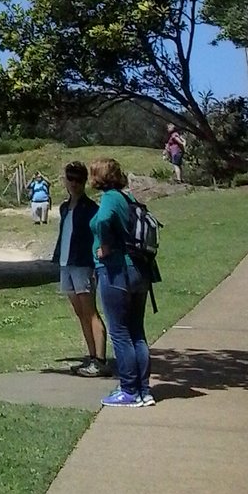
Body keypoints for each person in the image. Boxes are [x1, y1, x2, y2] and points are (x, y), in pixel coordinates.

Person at [89, 157, 161, 407]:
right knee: (136, 332)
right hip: (140, 270)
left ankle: (129, 390)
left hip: (116, 270)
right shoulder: (128, 197)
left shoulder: (110, 198)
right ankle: (143, 389)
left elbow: (102, 220)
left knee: (119, 332)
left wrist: (105, 244)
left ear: (99, 177)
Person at [51, 161, 108, 377]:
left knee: (90, 311)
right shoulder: (65, 207)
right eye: (70, 178)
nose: (74, 183)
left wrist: (95, 264)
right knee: (80, 313)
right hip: (66, 263)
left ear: (85, 182)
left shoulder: (91, 209)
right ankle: (91, 357)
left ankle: (100, 359)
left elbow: (96, 236)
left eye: (78, 179)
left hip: (83, 264)